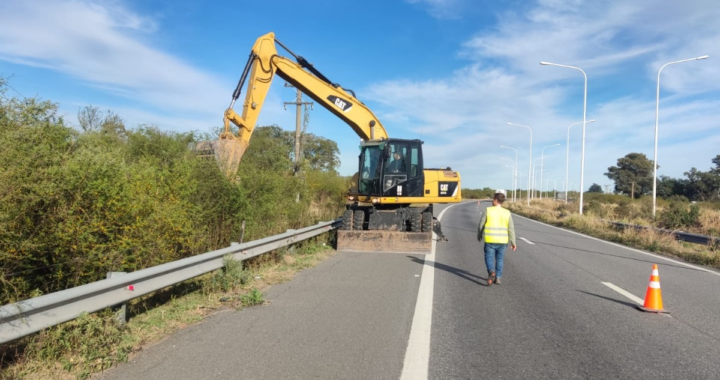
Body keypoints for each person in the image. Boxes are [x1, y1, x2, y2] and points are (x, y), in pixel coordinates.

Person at [477, 191, 516, 285]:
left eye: (493, 199)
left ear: (495, 200)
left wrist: (479, 235)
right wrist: (513, 241)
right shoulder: (507, 212)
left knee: (489, 257)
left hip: (490, 240)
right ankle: (498, 278)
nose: (492, 201)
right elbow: (511, 228)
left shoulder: (488, 210)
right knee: (499, 259)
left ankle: (491, 271)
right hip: (502, 241)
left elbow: (481, 224)